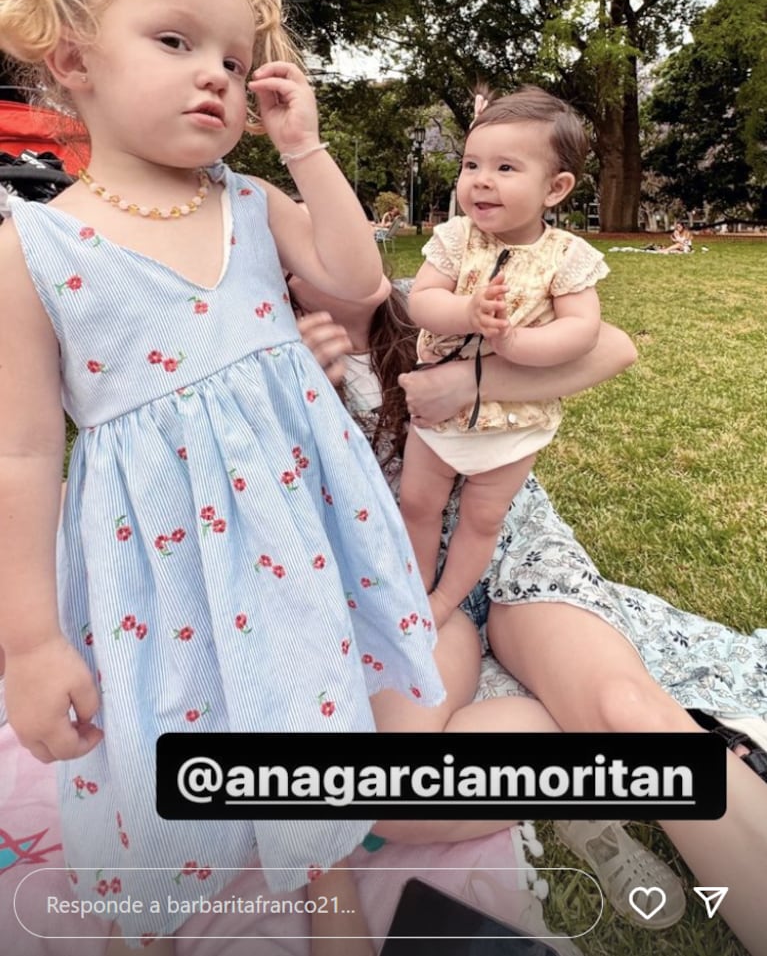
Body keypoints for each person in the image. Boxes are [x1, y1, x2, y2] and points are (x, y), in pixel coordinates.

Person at [0, 0, 445, 953]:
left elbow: (353, 281)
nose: (217, 72)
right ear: (72, 60)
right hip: (155, 556)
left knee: (309, 694)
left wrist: (303, 147)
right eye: (175, 40)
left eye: (236, 63)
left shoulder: (250, 201)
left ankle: (321, 872)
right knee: (165, 725)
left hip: (295, 529)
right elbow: (18, 452)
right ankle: (151, 917)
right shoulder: (30, 248)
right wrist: (27, 640)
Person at [288, 273, 767, 956]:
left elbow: (610, 347)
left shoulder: (432, 302)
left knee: (625, 706)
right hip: (404, 591)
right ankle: (584, 752)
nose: (335, 244)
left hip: (511, 552)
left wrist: (475, 380)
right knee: (375, 798)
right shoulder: (262, 344)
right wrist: (284, 394)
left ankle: (606, 732)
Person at [401, 87, 608, 628]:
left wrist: (517, 344)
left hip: (513, 423)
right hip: (438, 411)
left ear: (555, 188)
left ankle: (444, 603)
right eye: (472, 164)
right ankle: (414, 588)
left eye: (505, 167)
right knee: (417, 503)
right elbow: (422, 303)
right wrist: (466, 313)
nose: (481, 179)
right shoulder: (454, 240)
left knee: (483, 517)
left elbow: (583, 331)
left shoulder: (566, 257)